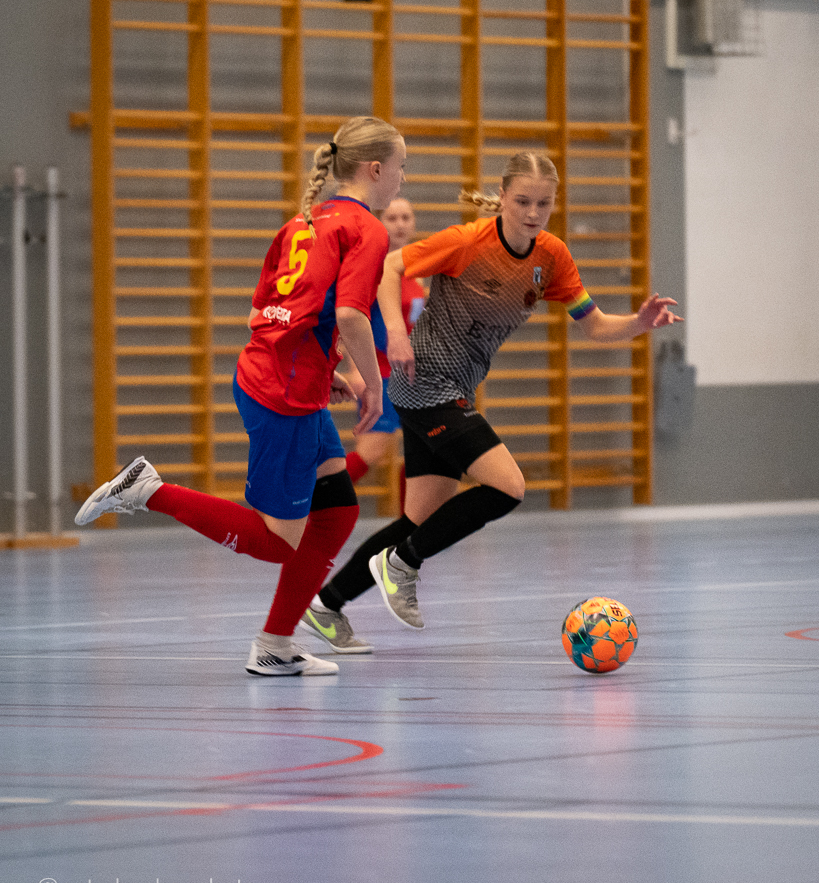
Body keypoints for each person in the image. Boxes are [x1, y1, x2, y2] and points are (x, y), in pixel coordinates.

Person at [298, 150, 682, 653]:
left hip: (453, 389)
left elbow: (594, 325)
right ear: (502, 197)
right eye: (522, 201)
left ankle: (326, 604)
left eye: (543, 203)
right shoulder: (467, 241)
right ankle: (401, 564)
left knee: (419, 520)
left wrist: (638, 323)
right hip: (425, 382)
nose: (532, 212)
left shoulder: (552, 257)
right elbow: (391, 267)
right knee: (507, 487)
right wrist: (395, 331)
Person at [74, 116, 407, 677]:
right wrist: (373, 385)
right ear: (375, 169)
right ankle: (150, 491)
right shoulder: (365, 229)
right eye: (401, 167)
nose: (403, 178)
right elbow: (351, 314)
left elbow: (265, 313)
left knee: (336, 511)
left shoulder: (303, 222)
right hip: (285, 394)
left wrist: (326, 370)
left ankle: (275, 644)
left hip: (276, 375)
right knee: (278, 541)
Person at [342, 197, 425, 487]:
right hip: (381, 375)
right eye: (392, 218)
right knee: (371, 452)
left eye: (406, 217)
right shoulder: (371, 268)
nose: (400, 224)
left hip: (413, 377)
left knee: (421, 453)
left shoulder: (415, 269)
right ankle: (313, 504)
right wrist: (356, 369)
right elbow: (351, 320)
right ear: (379, 223)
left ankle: (411, 516)